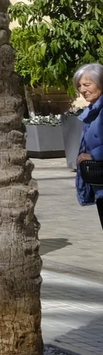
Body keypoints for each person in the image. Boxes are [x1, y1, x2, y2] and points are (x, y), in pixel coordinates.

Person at [76, 63, 103, 232]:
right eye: (79, 85)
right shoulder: (93, 111)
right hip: (99, 183)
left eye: (87, 84)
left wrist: (93, 155)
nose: (82, 90)